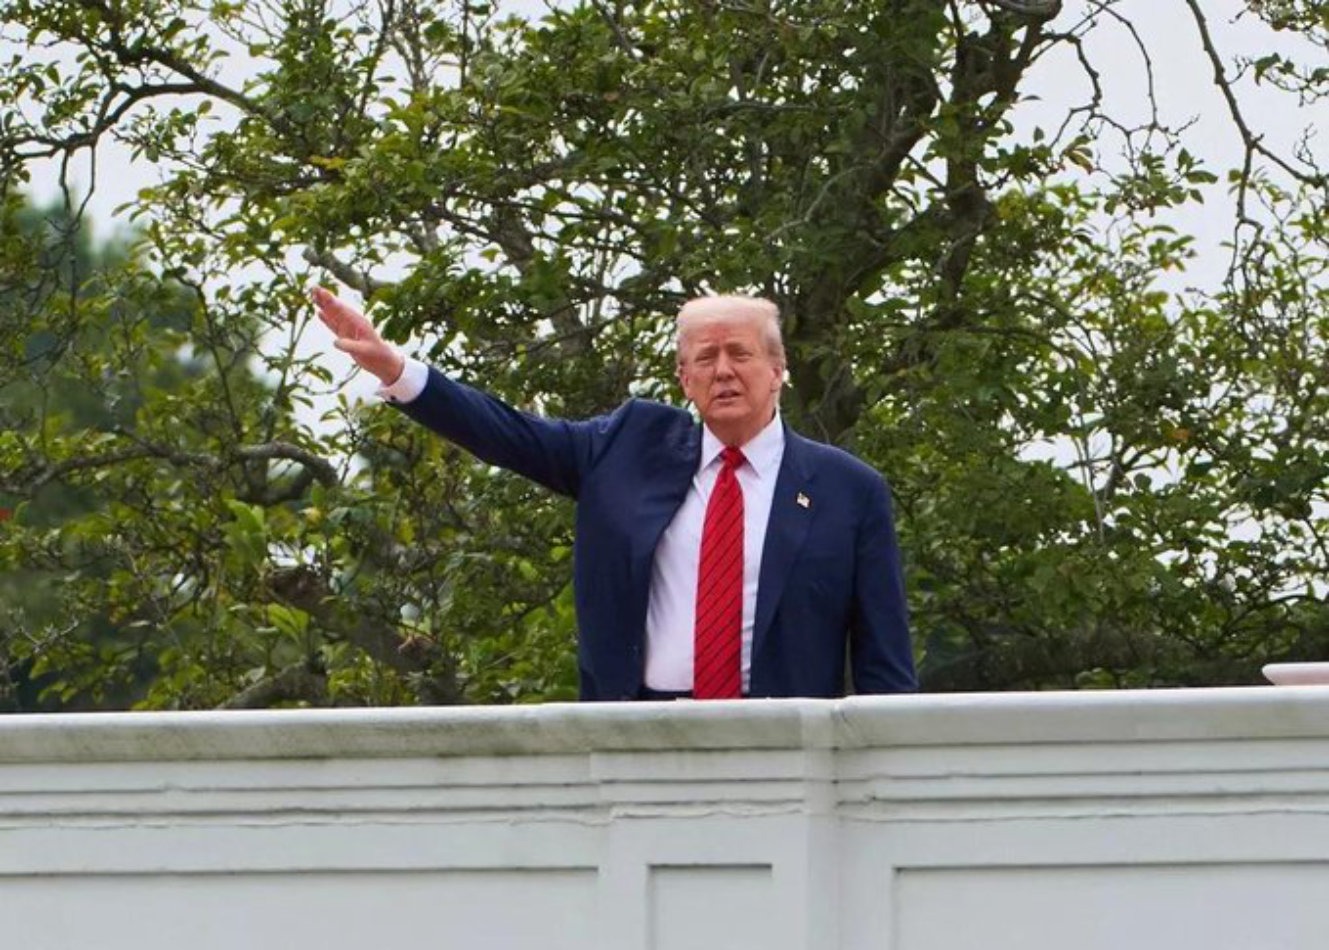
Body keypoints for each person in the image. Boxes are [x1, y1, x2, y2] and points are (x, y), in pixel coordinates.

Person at [313, 286, 916, 701]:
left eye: (741, 354)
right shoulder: (628, 447)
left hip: (786, 751)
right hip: (640, 737)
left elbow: (885, 667)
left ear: (778, 369)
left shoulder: (847, 490)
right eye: (705, 358)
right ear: (684, 378)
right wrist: (397, 370)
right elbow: (509, 435)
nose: (723, 371)